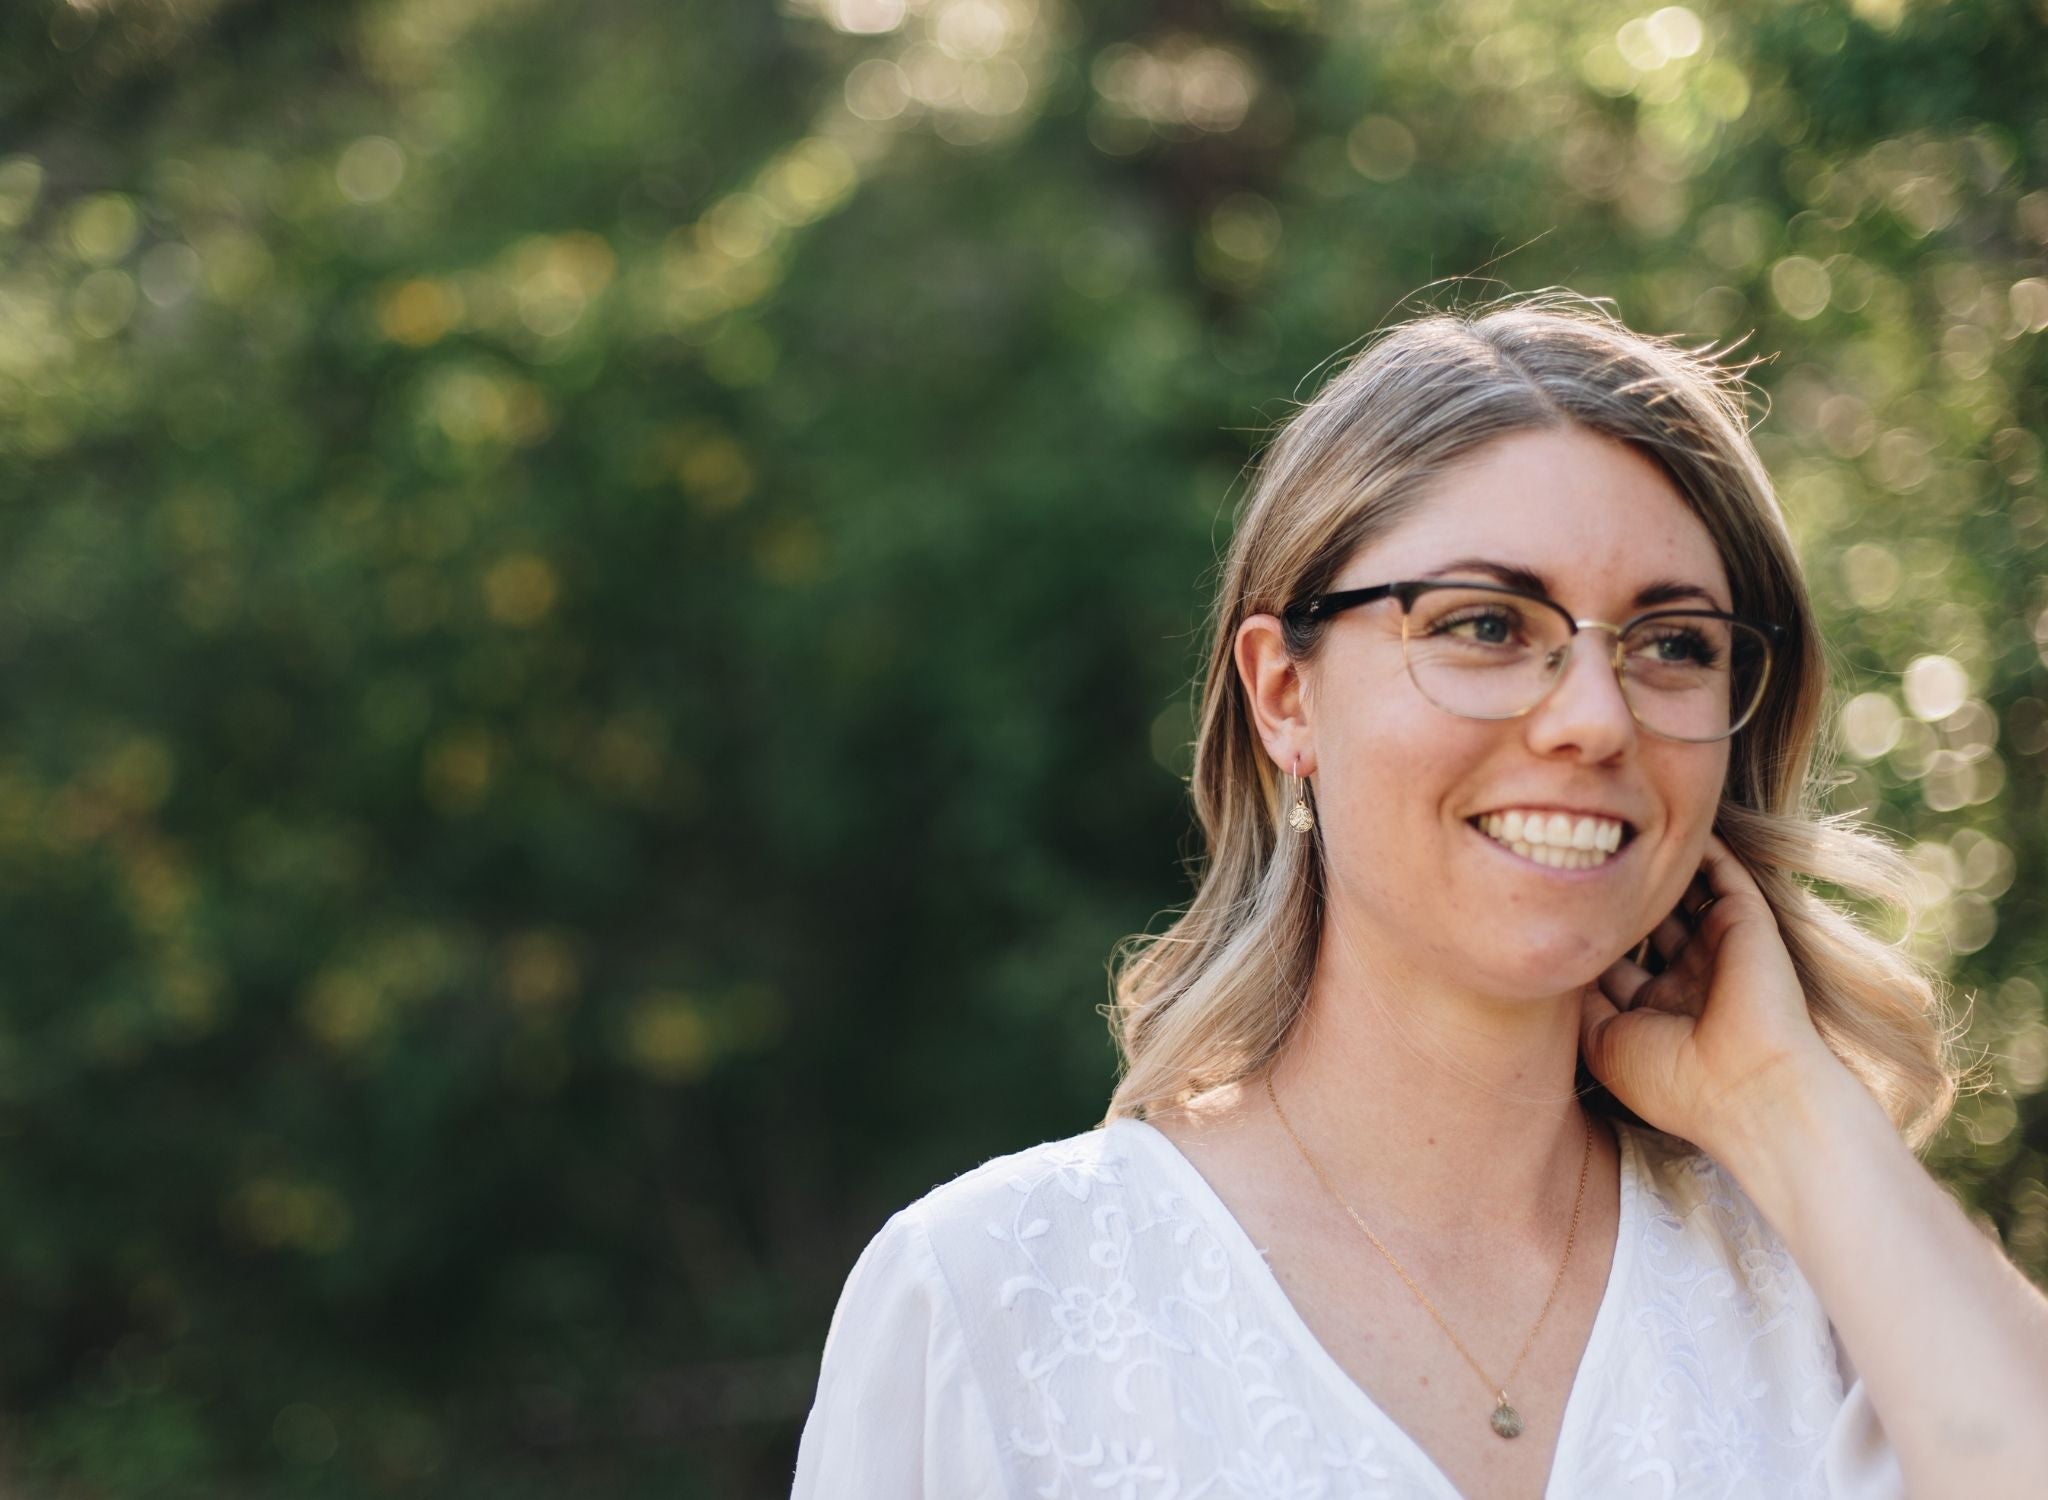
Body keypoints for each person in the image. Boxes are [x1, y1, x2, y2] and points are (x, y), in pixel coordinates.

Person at [789, 293, 2048, 1498]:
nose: (1594, 719)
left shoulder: (1840, 1304)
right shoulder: (987, 1306)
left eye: (1671, 644)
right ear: (1285, 695)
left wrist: (1789, 1112)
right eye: (1486, 626)